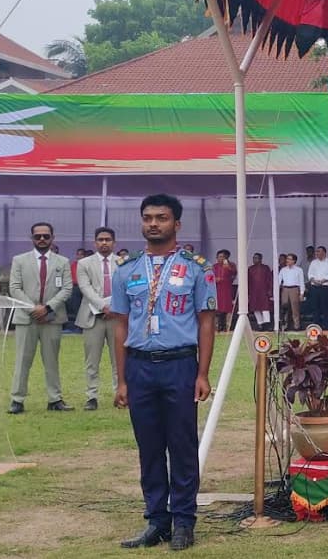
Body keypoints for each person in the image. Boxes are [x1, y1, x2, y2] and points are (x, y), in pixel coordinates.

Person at [112, 194, 216, 551]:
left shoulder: (197, 268)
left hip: (179, 365)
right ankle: (157, 520)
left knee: (182, 446)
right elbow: (121, 326)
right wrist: (122, 379)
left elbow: (206, 322)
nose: (153, 223)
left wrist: (202, 373)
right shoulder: (127, 270)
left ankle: (184, 521)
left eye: (161, 217)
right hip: (140, 367)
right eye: (148, 218)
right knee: (149, 447)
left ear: (177, 224)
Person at [7, 222, 74, 414]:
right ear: (32, 239)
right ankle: (17, 400)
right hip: (26, 318)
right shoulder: (19, 260)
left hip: (52, 318)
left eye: (46, 236)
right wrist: (33, 309)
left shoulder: (62, 261)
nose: (42, 239)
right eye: (38, 236)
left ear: (53, 237)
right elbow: (14, 288)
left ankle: (55, 399)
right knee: (22, 360)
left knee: (52, 360)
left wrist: (47, 308)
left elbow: (67, 289)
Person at [75, 227, 120, 411]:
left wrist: (114, 307)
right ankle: (91, 396)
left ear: (114, 242)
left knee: (118, 359)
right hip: (92, 317)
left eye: (108, 239)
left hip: (117, 317)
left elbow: (126, 288)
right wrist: (103, 306)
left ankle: (120, 394)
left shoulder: (123, 262)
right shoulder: (84, 263)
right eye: (100, 239)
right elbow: (85, 288)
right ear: (95, 242)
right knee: (92, 360)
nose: (104, 243)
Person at [307, 246, 328, 329]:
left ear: (324, 252)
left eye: (319, 251)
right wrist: (314, 281)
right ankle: (316, 325)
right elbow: (310, 274)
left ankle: (327, 326)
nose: (317, 253)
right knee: (315, 307)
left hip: (325, 287)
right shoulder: (313, 262)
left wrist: (322, 281)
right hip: (315, 287)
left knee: (326, 307)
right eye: (316, 252)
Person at [278, 254, 305, 330]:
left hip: (294, 289)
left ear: (294, 261)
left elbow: (301, 282)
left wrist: (302, 293)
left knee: (295, 308)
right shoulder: (283, 269)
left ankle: (297, 326)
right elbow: (279, 280)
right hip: (285, 289)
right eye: (287, 259)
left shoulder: (299, 270)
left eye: (290, 259)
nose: (287, 260)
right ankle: (285, 326)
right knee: (285, 308)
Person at [247, 253, 274, 331]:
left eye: (256, 258)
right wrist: (248, 293)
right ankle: (260, 324)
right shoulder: (250, 269)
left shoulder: (265, 268)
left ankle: (267, 324)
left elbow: (269, 280)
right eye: (254, 258)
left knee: (265, 308)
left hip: (264, 291)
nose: (254, 260)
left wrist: (270, 290)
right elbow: (248, 281)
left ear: (260, 259)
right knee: (255, 308)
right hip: (254, 291)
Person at [211, 249, 236, 332]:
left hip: (226, 289)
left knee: (225, 308)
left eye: (222, 257)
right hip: (217, 289)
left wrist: (227, 265)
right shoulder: (214, 266)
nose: (220, 258)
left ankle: (225, 327)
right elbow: (209, 277)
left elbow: (233, 273)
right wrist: (215, 279)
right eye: (219, 257)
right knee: (218, 308)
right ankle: (219, 327)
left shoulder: (231, 265)